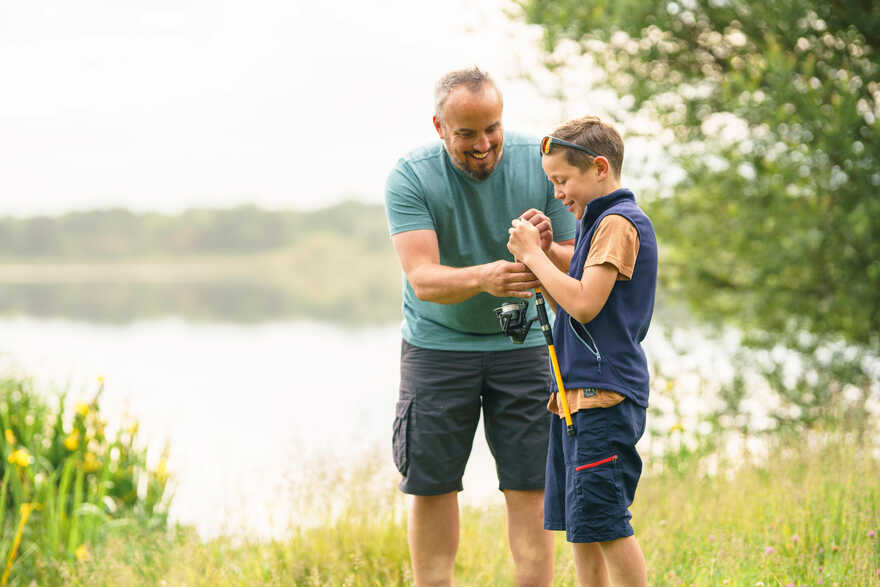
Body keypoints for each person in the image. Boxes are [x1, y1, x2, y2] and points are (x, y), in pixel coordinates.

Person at [385, 67, 577, 587]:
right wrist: (487, 278)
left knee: (532, 483)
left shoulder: (539, 164)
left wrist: (543, 250)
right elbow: (423, 279)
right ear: (439, 127)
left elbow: (571, 264)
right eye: (466, 133)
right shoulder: (411, 174)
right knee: (430, 485)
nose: (482, 144)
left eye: (490, 128)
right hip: (437, 346)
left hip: (526, 345)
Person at [506, 116, 657, 587]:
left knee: (608, 526)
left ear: (599, 168)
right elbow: (568, 306)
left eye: (562, 180)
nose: (557, 193)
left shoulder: (616, 223)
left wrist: (532, 256)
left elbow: (586, 305)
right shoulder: (594, 225)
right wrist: (548, 253)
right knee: (583, 530)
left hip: (603, 398)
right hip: (575, 402)